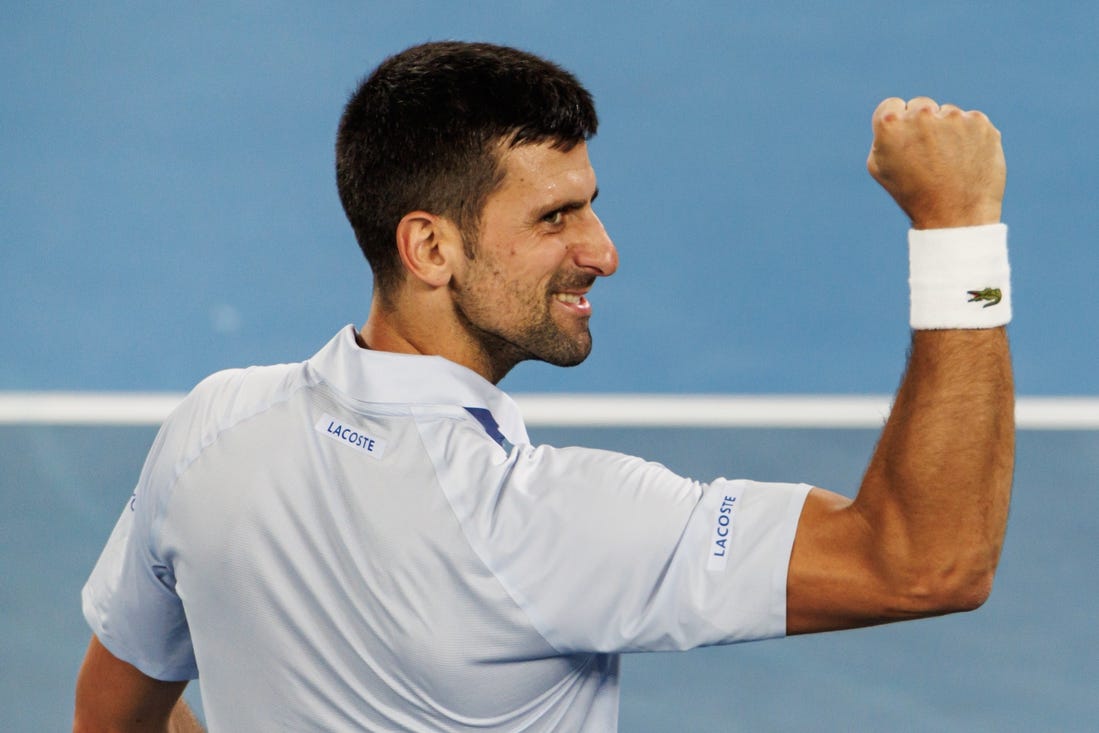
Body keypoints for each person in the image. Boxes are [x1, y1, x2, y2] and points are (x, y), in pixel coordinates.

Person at [74, 41, 1013, 732]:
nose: (602, 252)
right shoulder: (546, 525)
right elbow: (926, 559)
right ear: (430, 246)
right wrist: (958, 226)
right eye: (555, 216)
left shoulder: (212, 429)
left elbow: (114, 717)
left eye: (590, 205)